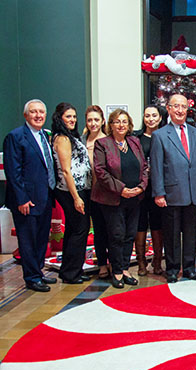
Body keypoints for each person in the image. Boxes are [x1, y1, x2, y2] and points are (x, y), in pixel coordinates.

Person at [150, 94, 196, 283]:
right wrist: (158, 193)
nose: (180, 110)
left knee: (191, 233)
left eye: (183, 106)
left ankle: (190, 267)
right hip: (171, 193)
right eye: (176, 106)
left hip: (193, 192)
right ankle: (173, 268)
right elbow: (157, 167)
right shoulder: (160, 135)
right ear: (168, 108)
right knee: (172, 234)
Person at [4, 99, 57, 292]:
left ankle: (38, 272)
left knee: (42, 238)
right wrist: (22, 198)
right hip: (26, 200)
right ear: (26, 115)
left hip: (44, 197)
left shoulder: (45, 135)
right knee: (28, 239)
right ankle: (32, 277)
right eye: (33, 112)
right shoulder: (16, 137)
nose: (38, 115)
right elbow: (13, 171)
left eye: (41, 112)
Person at [92, 109, 149, 289]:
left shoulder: (134, 142)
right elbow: (100, 171)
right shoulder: (103, 144)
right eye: (117, 121)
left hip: (135, 198)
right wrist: (122, 189)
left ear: (129, 124)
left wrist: (141, 187)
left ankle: (125, 269)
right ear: (111, 125)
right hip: (113, 199)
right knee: (116, 235)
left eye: (124, 121)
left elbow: (145, 167)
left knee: (130, 235)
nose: (121, 125)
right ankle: (116, 271)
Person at [51, 102, 92, 284]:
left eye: (74, 117)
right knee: (79, 231)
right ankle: (72, 273)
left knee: (74, 230)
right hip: (71, 191)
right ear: (60, 118)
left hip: (79, 189)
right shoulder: (62, 139)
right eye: (68, 116)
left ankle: (69, 269)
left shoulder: (70, 136)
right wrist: (76, 197)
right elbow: (66, 170)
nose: (72, 120)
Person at [134, 105, 167, 276]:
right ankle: (141, 262)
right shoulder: (136, 138)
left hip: (158, 188)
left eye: (154, 115)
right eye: (147, 115)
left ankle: (157, 261)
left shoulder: (164, 136)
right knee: (140, 226)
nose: (151, 119)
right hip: (140, 190)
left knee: (157, 225)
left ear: (160, 118)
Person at [82, 105, 110, 279]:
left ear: (102, 121)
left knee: (111, 230)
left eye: (96, 120)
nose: (93, 123)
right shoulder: (81, 141)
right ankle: (102, 264)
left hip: (106, 193)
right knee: (98, 230)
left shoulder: (108, 140)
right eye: (90, 120)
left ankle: (114, 261)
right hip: (87, 192)